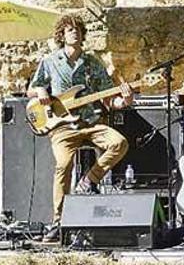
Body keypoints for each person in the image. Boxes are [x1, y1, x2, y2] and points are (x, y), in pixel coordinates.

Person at [27, 14, 132, 242]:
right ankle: (58, 222)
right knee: (63, 166)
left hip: (90, 122)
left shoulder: (93, 63)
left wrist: (123, 101)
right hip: (63, 127)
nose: (74, 32)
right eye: (69, 29)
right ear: (62, 35)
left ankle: (89, 180)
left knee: (119, 143)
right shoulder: (50, 61)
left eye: (78, 29)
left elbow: (109, 100)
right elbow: (32, 89)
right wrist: (41, 91)